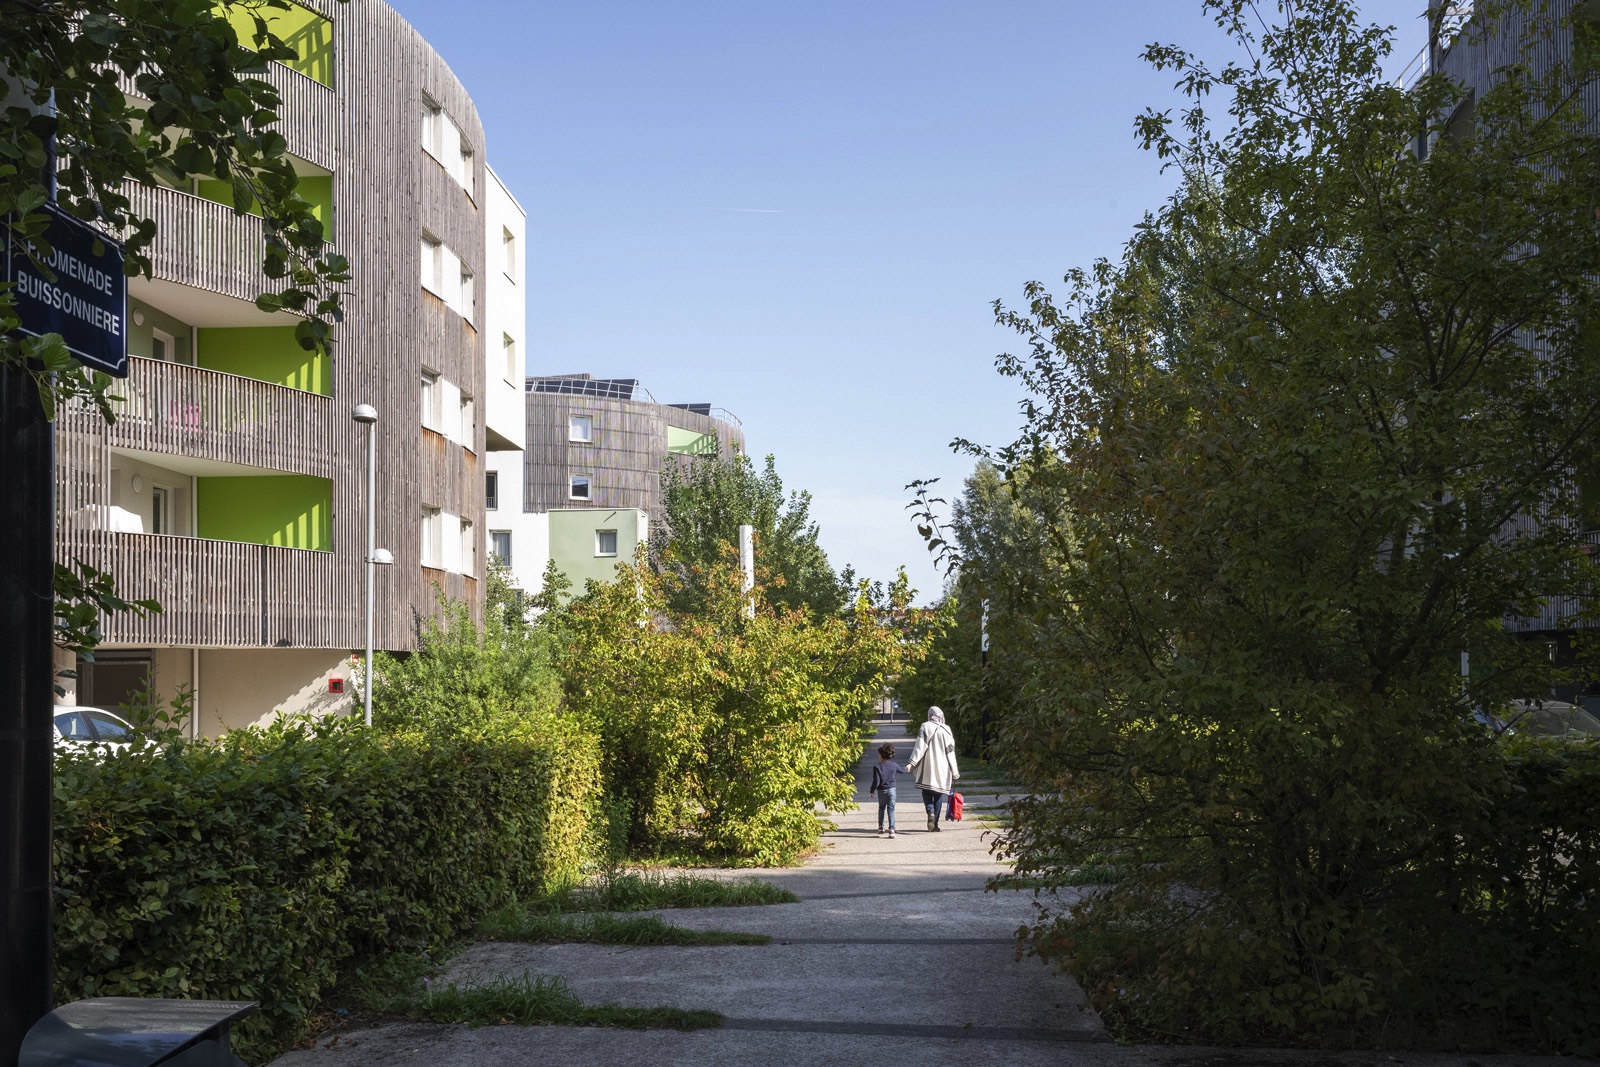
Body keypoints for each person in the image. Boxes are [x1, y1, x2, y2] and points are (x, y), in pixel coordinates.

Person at [906, 706, 959, 831]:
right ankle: (935, 824)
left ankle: (930, 810)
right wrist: (955, 772)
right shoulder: (947, 729)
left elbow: (920, 746)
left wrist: (912, 763)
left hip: (928, 767)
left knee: (926, 792)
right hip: (943, 769)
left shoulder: (925, 726)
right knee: (939, 795)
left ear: (929, 715)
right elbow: (950, 752)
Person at [870, 743, 907, 838]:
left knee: (882, 808)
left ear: (882, 755)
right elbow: (903, 770)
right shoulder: (893, 765)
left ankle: (881, 827)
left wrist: (872, 790)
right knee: (891, 809)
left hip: (882, 791)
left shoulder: (877, 766)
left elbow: (876, 781)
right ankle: (891, 829)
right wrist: (908, 767)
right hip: (892, 790)